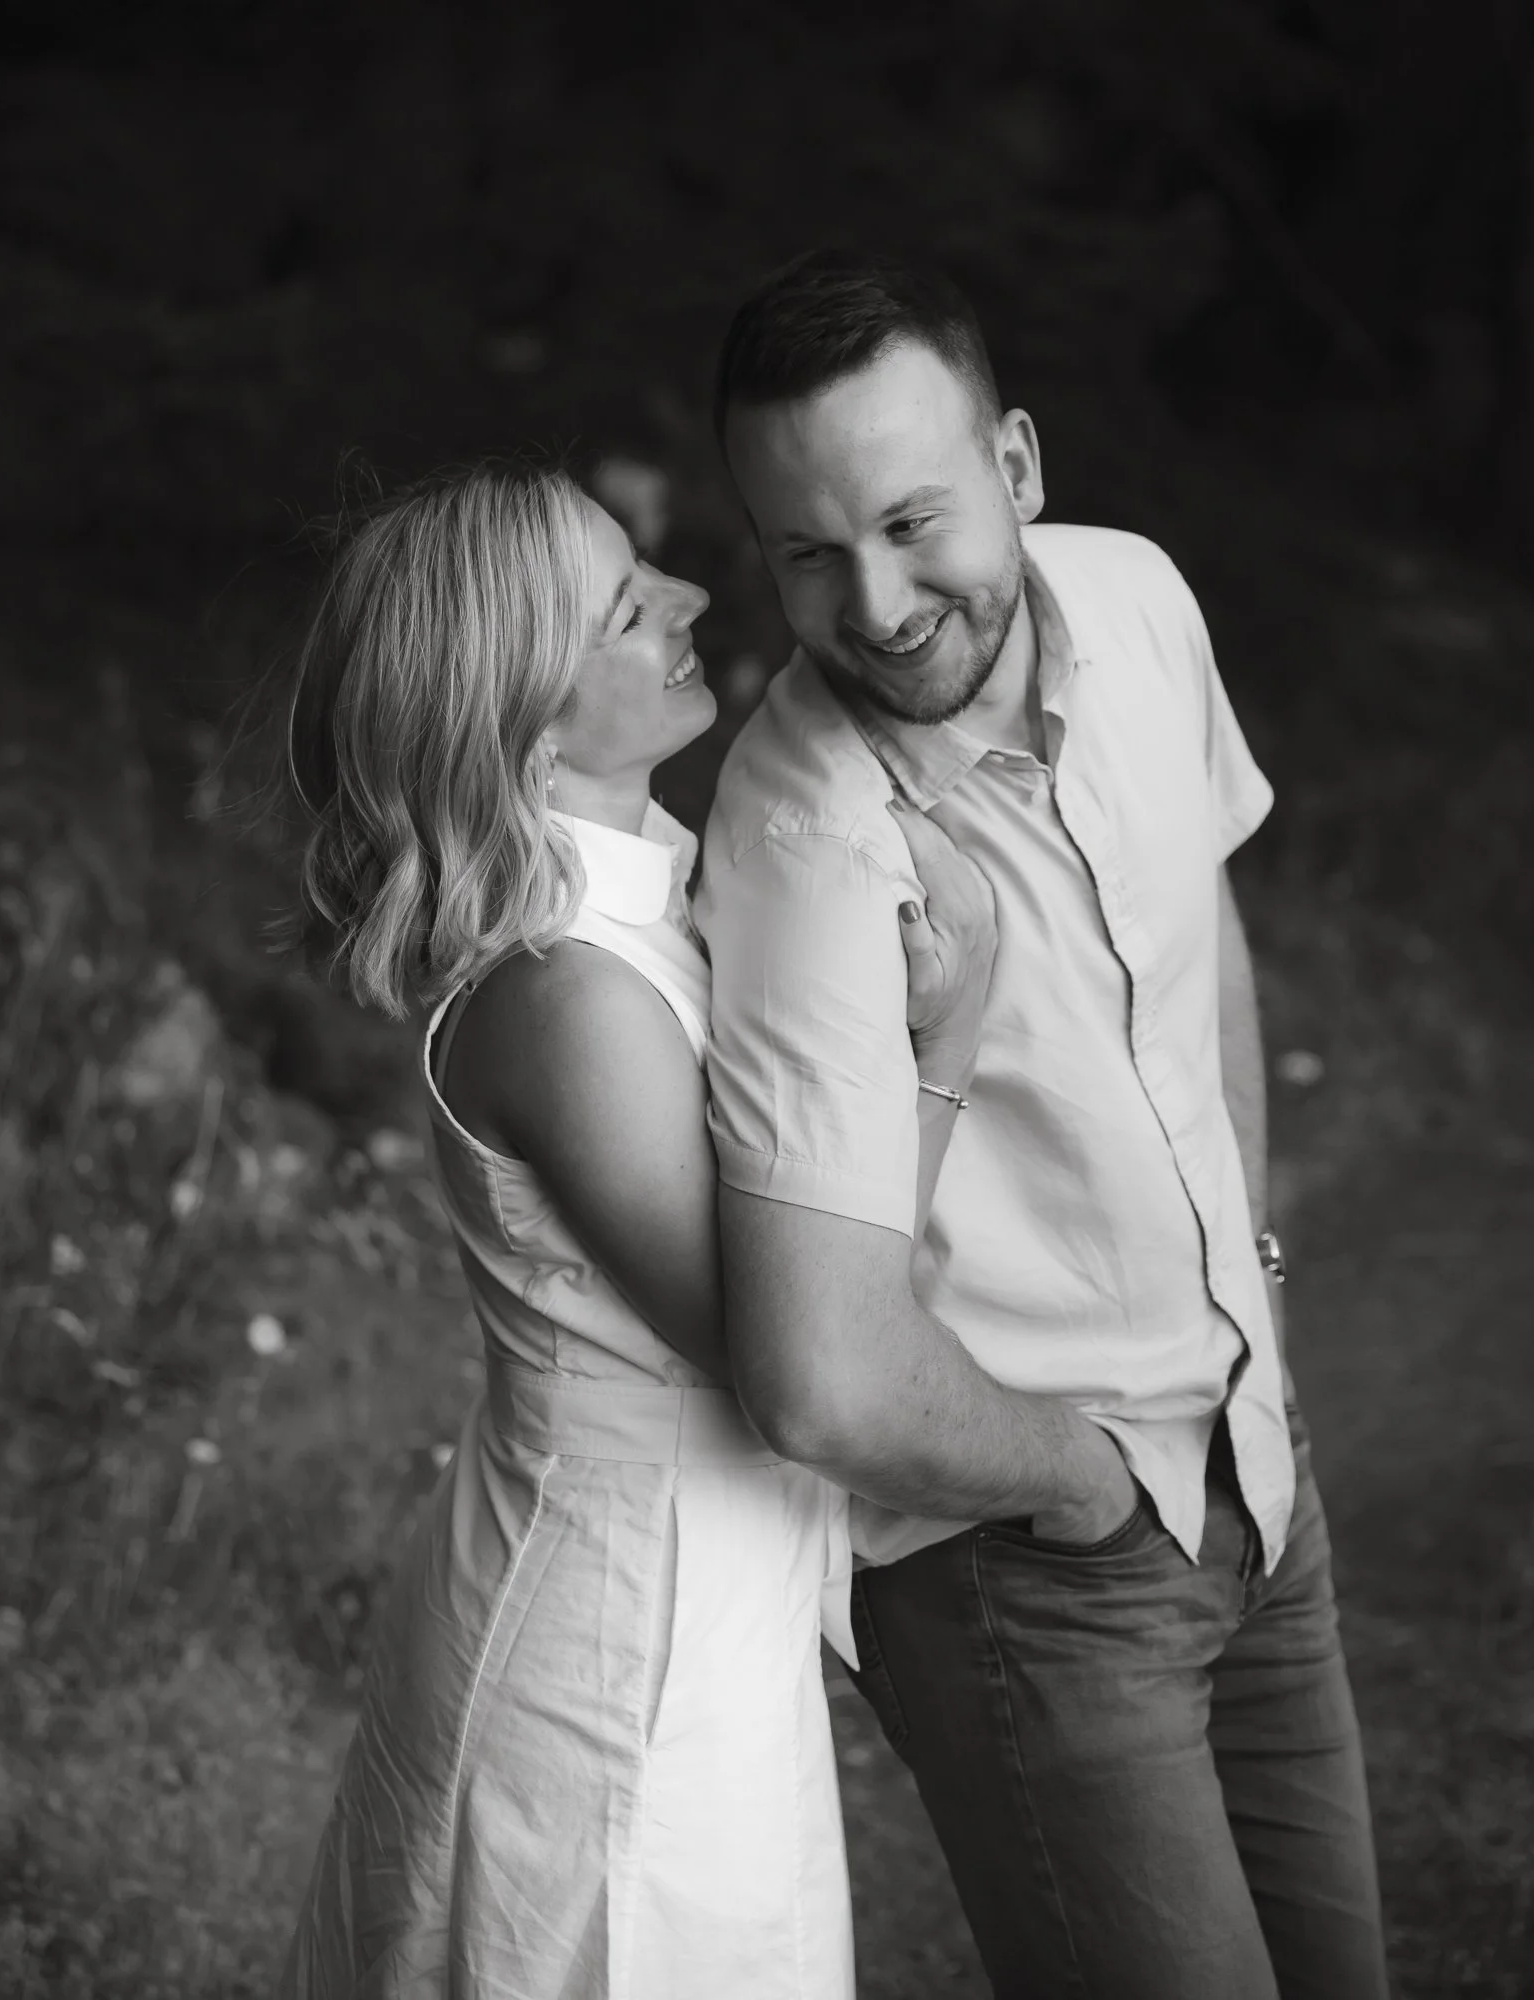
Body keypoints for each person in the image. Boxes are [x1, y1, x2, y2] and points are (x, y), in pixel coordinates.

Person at [697, 249, 1390, 2000]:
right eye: (808, 553)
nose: (874, 602)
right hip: (1040, 1572)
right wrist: (1091, 1482)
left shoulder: (1137, 600)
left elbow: (1198, 929)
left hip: (1258, 1463)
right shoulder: (803, 844)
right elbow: (816, 1381)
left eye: (909, 521)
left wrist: (1255, 1290)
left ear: (1015, 466)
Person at [272, 460, 994, 2000]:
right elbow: (796, 1343)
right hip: (612, 1653)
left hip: (690, 1607)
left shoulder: (651, 910)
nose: (690, 598)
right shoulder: (570, 993)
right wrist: (942, 1046)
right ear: (526, 720)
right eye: (622, 608)